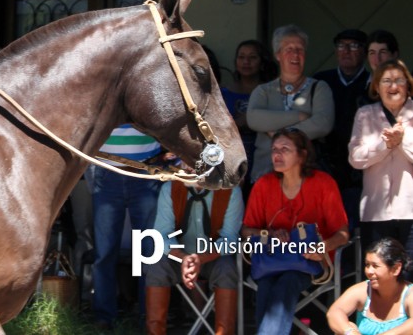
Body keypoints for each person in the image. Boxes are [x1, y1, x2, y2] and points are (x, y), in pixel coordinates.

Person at [242, 128, 350, 334]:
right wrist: (270, 234)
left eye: (285, 149)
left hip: (309, 262)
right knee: (266, 286)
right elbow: (246, 230)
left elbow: (343, 233)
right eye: (274, 149)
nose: (277, 154)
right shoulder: (264, 185)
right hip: (271, 261)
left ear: (302, 154)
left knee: (287, 282)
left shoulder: (323, 183)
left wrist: (323, 246)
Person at [145, 175, 244, 335]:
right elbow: (161, 235)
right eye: (186, 162)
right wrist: (184, 258)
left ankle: (224, 331)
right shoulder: (170, 188)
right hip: (180, 258)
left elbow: (230, 239)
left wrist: (201, 258)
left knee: (227, 269)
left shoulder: (231, 190)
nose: (190, 168)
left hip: (213, 258)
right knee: (156, 267)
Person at [91, 124, 163, 330]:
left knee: (148, 251)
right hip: (107, 170)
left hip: (145, 171)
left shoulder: (148, 90)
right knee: (105, 252)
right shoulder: (101, 90)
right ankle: (104, 317)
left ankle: (149, 316)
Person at [246, 24, 334, 182]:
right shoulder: (263, 91)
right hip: (265, 176)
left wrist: (277, 134)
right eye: (289, 49)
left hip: (306, 178)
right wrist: (299, 116)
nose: (295, 54)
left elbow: (323, 123)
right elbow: (253, 118)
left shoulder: (319, 88)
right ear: (278, 55)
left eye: (300, 49)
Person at [348, 59, 413, 260]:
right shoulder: (365, 114)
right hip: (375, 212)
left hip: (410, 211)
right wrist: (385, 145)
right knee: (378, 276)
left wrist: (402, 142)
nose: (393, 86)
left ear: (408, 85)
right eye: (386, 81)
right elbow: (355, 158)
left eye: (399, 80)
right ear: (376, 86)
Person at [314, 29, 370, 225]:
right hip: (326, 165)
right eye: (341, 46)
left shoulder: (372, 84)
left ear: (364, 51)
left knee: (357, 229)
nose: (346, 51)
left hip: (361, 171)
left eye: (353, 46)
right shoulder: (321, 81)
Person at [220, 40, 277, 193]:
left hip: (264, 155)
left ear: (262, 62)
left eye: (252, 57)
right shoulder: (223, 93)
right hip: (232, 154)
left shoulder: (271, 92)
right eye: (241, 57)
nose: (246, 62)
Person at [327, 237, 413, 334]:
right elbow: (334, 312)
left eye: (375, 266)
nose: (369, 271)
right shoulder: (363, 290)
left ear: (396, 269)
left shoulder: (410, 294)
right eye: (367, 265)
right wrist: (350, 331)